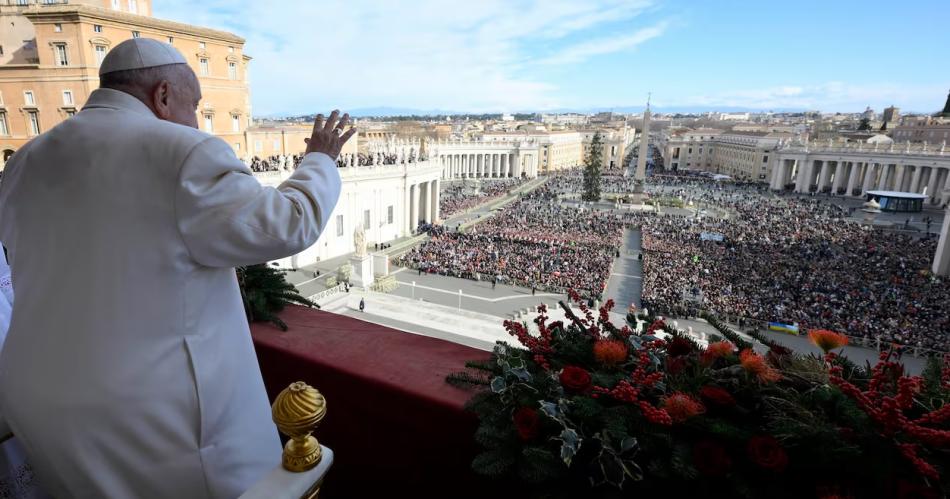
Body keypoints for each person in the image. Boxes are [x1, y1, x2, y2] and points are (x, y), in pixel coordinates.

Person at [0, 39, 354, 498]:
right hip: (149, 419)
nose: (197, 120)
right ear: (163, 96)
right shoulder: (182, 152)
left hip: (39, 404)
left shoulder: (25, 159)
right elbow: (288, 222)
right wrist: (321, 159)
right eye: (196, 105)